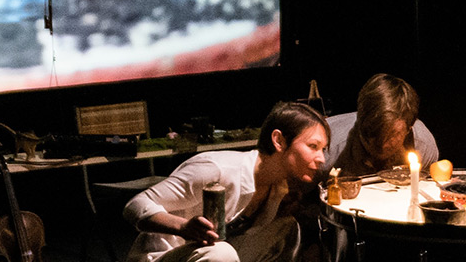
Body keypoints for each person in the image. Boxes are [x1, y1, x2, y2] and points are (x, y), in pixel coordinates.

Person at [122, 101, 329, 262]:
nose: (321, 158)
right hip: (165, 255)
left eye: (323, 149)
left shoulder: (277, 187)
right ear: (279, 141)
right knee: (220, 253)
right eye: (313, 146)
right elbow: (135, 205)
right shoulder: (218, 169)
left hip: (218, 253)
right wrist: (184, 227)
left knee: (287, 228)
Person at [321, 73, 438, 177]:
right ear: (359, 121)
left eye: (392, 135)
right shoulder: (326, 147)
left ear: (409, 128)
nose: (382, 145)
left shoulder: (424, 146)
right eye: (373, 133)